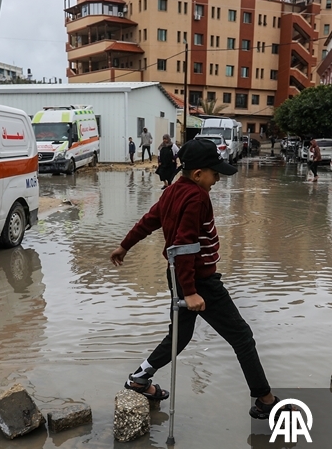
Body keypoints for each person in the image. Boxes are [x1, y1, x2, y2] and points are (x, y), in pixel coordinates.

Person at [109, 139, 284, 419]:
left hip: (178, 276)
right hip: (198, 279)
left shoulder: (172, 192)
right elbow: (184, 245)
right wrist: (190, 291)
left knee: (179, 336)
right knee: (242, 337)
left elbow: (149, 220)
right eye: (215, 174)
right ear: (199, 174)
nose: (217, 179)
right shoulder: (197, 197)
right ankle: (265, 399)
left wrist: (125, 245)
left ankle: (138, 380)